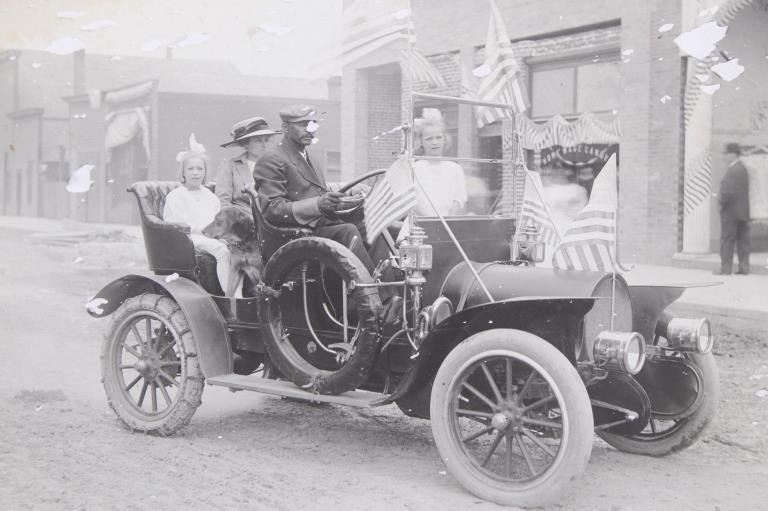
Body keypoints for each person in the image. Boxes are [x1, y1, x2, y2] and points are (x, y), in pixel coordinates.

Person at [254, 104, 402, 326]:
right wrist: (318, 204)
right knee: (348, 231)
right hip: (295, 235)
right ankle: (374, 303)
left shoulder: (310, 158)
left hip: (319, 226)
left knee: (374, 226)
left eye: (312, 124)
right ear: (285, 127)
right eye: (302, 125)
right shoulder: (272, 159)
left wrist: (343, 199)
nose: (310, 130)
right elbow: (272, 209)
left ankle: (389, 297)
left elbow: (318, 195)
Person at [163, 149, 234, 296]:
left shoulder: (210, 196)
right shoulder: (175, 196)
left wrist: (221, 236)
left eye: (200, 169)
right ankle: (229, 295)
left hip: (209, 236)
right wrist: (212, 236)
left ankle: (242, 291)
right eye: (190, 169)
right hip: (187, 238)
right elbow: (178, 225)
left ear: (205, 172)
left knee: (236, 248)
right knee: (222, 251)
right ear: (183, 172)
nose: (195, 173)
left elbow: (217, 221)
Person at [216, 117, 281, 216]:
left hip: (274, 218)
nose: (264, 145)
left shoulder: (278, 165)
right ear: (245, 144)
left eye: (266, 140)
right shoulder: (230, 166)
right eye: (258, 141)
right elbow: (223, 201)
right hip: (242, 218)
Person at [412, 108, 467, 216]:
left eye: (438, 137)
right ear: (421, 142)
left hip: (448, 223)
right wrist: (428, 221)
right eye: (429, 139)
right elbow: (410, 203)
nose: (434, 142)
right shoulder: (413, 168)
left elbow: (459, 198)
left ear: (445, 139)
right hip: (420, 223)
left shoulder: (455, 168)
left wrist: (448, 220)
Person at [716, 143, 750, 275]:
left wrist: (721, 203)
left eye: (726, 153)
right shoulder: (743, 168)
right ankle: (744, 268)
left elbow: (727, 192)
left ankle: (725, 269)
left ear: (733, 154)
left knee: (727, 241)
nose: (724, 156)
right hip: (742, 212)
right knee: (743, 242)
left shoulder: (732, 170)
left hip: (730, 213)